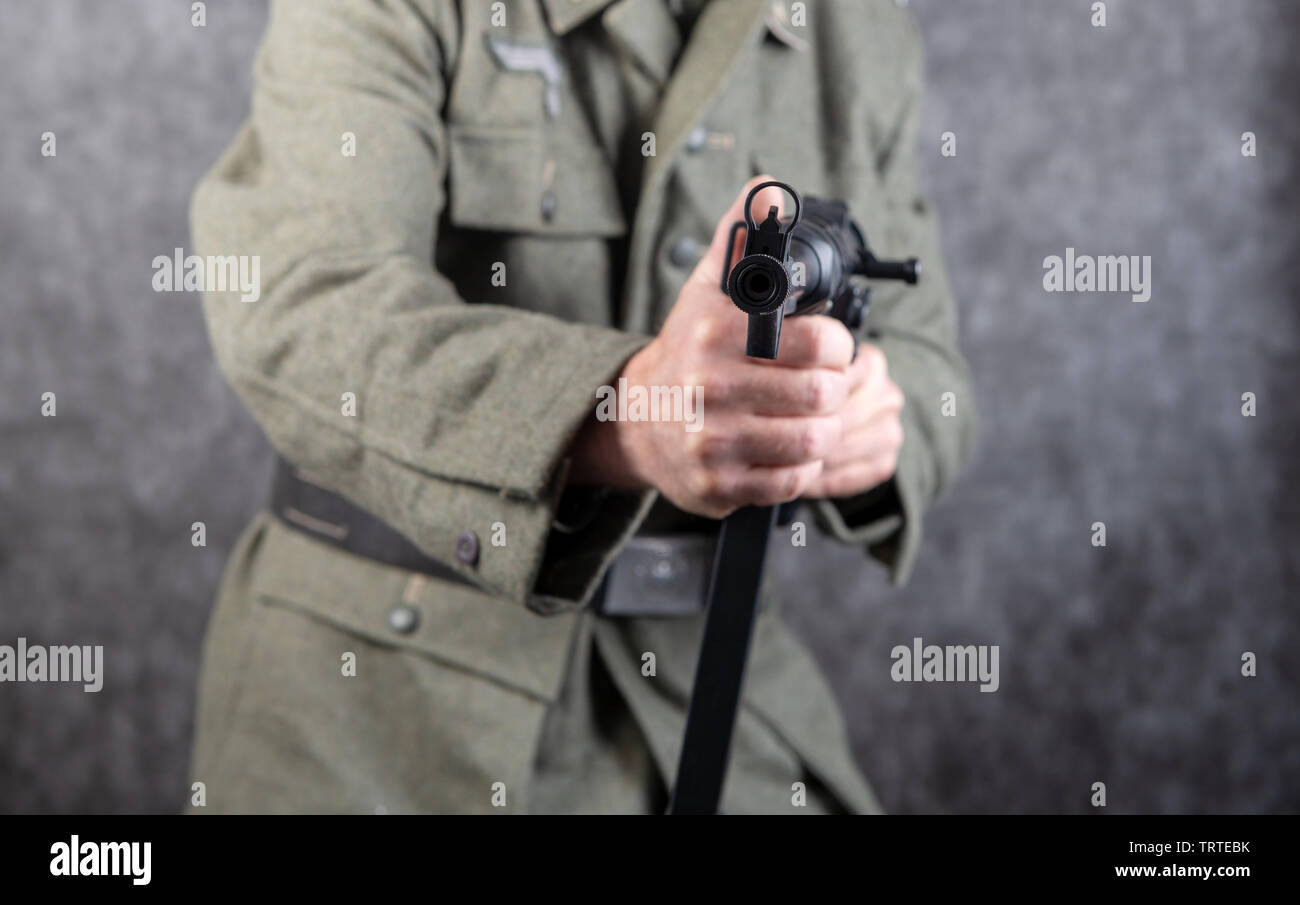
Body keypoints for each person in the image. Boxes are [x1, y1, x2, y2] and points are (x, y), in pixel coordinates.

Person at [187, 0, 975, 814]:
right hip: (378, 712)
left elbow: (932, 367)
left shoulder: (859, 25)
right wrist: (623, 414)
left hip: (720, 691)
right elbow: (302, 302)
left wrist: (859, 418)